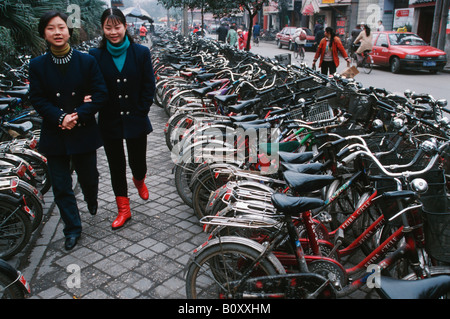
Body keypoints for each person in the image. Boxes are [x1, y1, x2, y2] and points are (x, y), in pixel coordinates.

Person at [29, 11, 108, 250]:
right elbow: (38, 99)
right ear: (44, 33)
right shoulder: (38, 64)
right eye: (51, 28)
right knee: (61, 185)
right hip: (55, 132)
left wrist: (80, 113)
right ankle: (72, 229)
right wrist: (61, 117)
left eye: (61, 27)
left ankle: (91, 197)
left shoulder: (86, 61)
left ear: (68, 30)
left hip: (82, 129)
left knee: (89, 177)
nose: (57, 32)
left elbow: (101, 93)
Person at [89, 8, 156, 230]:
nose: (113, 32)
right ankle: (124, 210)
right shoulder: (95, 56)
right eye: (108, 28)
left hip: (136, 119)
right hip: (109, 121)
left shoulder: (141, 53)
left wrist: (141, 111)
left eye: (117, 27)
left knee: (138, 162)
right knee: (116, 166)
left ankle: (139, 179)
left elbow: (149, 87)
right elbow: (92, 86)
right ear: (103, 29)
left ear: (125, 27)